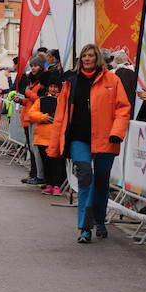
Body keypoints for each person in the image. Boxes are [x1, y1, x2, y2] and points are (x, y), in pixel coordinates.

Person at [48, 44, 129, 243]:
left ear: (97, 58)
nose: (87, 58)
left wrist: (117, 132)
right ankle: (85, 227)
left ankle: (99, 221)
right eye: (84, 55)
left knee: (101, 182)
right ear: (80, 58)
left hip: (106, 138)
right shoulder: (71, 81)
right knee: (85, 177)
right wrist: (56, 141)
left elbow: (123, 108)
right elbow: (61, 113)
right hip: (79, 138)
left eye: (91, 55)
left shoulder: (112, 80)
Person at [27, 73, 68, 195]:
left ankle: (57, 185)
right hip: (42, 138)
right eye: (51, 87)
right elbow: (31, 114)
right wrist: (43, 117)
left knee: (57, 164)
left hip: (56, 138)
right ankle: (49, 184)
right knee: (46, 164)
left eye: (56, 87)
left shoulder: (63, 101)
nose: (53, 89)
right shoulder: (41, 100)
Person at [16, 56, 46, 185]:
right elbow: (30, 100)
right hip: (28, 117)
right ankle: (34, 173)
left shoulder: (41, 83)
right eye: (32, 65)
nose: (33, 68)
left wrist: (27, 93)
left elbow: (39, 99)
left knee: (35, 149)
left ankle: (38, 175)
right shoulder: (32, 81)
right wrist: (21, 100)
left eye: (36, 65)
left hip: (35, 118)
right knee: (32, 149)